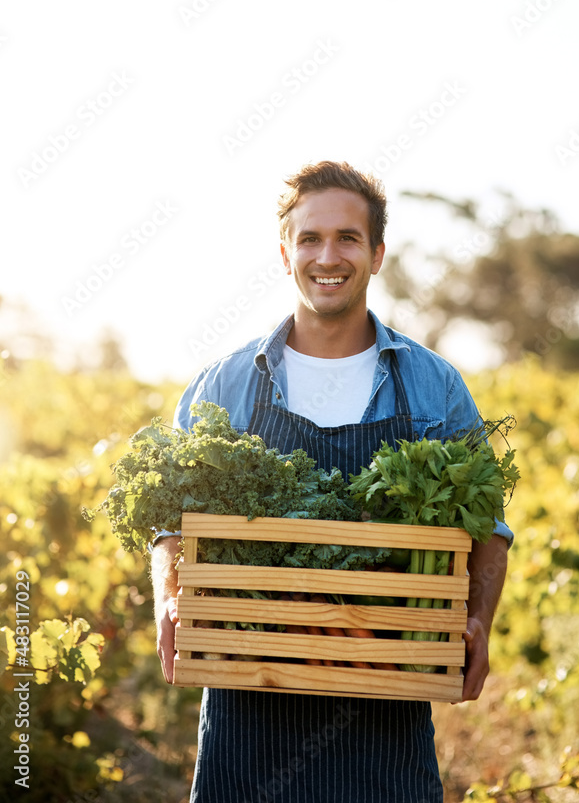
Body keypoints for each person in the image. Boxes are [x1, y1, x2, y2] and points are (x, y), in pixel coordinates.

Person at [151, 160, 512, 803]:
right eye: (311, 238)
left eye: (348, 237)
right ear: (284, 251)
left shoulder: (432, 384)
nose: (328, 255)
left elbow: (486, 526)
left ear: (376, 254)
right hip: (246, 706)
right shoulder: (227, 385)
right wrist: (171, 597)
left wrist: (477, 617)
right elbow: (170, 521)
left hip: (388, 703)